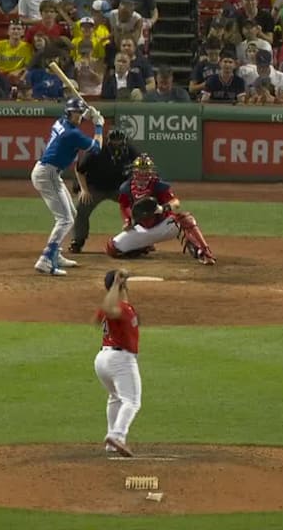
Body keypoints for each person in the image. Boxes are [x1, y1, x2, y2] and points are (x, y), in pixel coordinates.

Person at [32, 100, 104, 275]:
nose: (79, 116)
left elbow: (74, 125)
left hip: (50, 173)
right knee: (65, 220)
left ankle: (55, 255)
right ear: (68, 114)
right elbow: (96, 148)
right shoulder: (71, 134)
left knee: (71, 214)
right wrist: (99, 126)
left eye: (80, 113)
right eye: (76, 113)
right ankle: (46, 259)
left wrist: (86, 117)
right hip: (47, 174)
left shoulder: (60, 122)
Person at [106, 153, 216, 265]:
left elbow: (176, 203)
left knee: (185, 219)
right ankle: (142, 246)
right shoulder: (126, 187)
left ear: (151, 171)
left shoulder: (157, 184)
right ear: (134, 172)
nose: (143, 173)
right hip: (142, 229)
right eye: (140, 170)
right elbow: (124, 206)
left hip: (163, 226)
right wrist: (127, 220)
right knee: (112, 248)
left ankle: (204, 251)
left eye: (146, 170)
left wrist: (162, 208)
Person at [93, 267, 141, 458]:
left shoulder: (122, 306)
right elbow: (109, 311)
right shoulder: (115, 308)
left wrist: (120, 284)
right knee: (132, 401)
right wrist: (116, 283)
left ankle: (112, 443)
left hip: (104, 359)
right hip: (119, 360)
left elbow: (100, 318)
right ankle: (117, 435)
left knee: (116, 397)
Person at [70, 129, 139, 253]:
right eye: (114, 140)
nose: (117, 143)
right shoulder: (96, 150)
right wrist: (84, 190)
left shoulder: (129, 150)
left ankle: (141, 240)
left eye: (119, 140)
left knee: (139, 205)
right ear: (108, 141)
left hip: (118, 188)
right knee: (81, 208)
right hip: (94, 187)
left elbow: (141, 166)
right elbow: (79, 169)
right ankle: (77, 241)